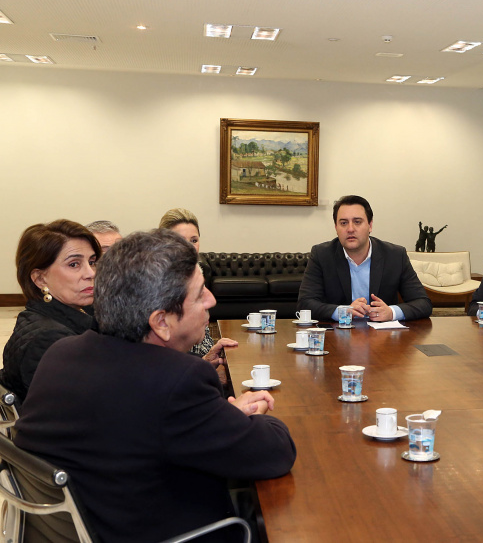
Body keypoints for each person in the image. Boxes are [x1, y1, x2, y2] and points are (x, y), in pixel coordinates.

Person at [14, 229, 296, 542]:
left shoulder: (61, 353)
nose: (212, 300)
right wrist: (243, 418)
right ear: (161, 322)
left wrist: (218, 420)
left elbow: (141, 426)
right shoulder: (175, 381)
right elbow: (275, 452)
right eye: (199, 294)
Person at [0, 220, 100, 402]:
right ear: (40, 279)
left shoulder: (62, 314)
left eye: (92, 262)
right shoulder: (49, 339)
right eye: (74, 264)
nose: (91, 273)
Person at [297, 195, 432, 321]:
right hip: (338, 334)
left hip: (383, 335)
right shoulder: (322, 255)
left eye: (357, 222)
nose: (350, 229)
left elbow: (423, 303)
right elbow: (305, 304)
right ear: (336, 227)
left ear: (370, 225)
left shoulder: (395, 255)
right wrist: (343, 311)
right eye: (343, 223)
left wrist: (391, 312)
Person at [159, 208, 236, 369]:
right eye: (181, 241)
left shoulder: (197, 271)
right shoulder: (157, 282)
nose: (190, 247)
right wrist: (201, 366)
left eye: (194, 240)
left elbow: (202, 336)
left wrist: (208, 358)